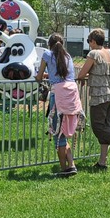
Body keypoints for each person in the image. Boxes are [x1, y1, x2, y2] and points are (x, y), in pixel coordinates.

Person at [77, 28, 110, 169]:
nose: (89, 44)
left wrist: (85, 76)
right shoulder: (109, 52)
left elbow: (81, 74)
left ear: (93, 41)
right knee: (105, 127)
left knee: (98, 127)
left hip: (99, 96)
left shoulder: (93, 54)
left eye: (89, 41)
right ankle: (102, 162)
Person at [36, 33, 83, 176]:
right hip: (72, 95)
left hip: (58, 96)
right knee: (65, 131)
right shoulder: (68, 56)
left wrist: (41, 77)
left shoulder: (47, 54)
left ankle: (64, 169)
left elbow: (39, 76)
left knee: (58, 133)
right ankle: (72, 165)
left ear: (49, 44)